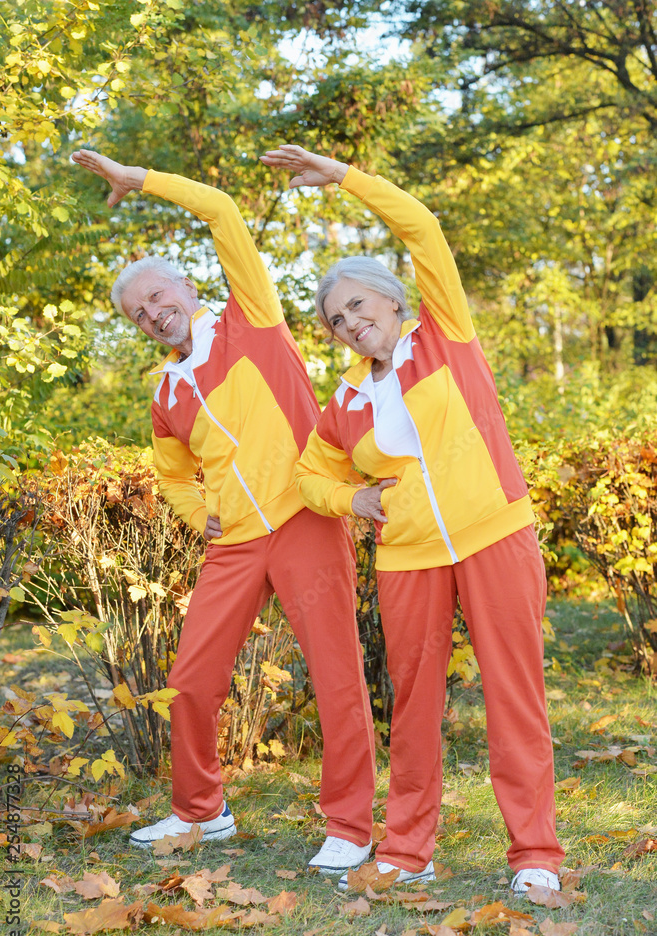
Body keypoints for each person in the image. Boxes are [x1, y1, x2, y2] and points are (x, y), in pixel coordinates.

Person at [261, 143, 565, 893]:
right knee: (416, 707)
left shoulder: (446, 336)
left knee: (513, 696)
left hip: (495, 535)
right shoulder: (346, 400)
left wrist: (344, 179)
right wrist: (350, 499)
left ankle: (534, 856)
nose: (349, 323)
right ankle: (407, 850)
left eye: (359, 306)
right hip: (406, 558)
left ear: (393, 301)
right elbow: (310, 473)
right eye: (336, 320)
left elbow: (424, 227)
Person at [71, 149, 376, 873]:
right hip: (234, 544)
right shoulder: (165, 393)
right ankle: (200, 812)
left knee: (337, 678)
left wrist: (141, 179)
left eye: (157, 296)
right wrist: (195, 511)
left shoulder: (252, 323)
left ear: (188, 285)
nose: (152, 313)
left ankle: (352, 826)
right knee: (192, 681)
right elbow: (172, 471)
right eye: (138, 312)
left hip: (303, 519)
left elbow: (222, 211)